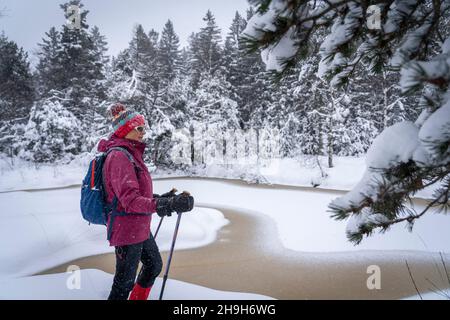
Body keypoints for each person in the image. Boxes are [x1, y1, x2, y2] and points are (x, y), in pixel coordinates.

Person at [98, 103, 194, 300]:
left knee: (153, 265)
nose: (144, 132)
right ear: (126, 130)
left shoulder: (131, 154)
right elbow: (130, 201)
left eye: (144, 127)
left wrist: (164, 199)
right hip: (126, 229)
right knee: (123, 284)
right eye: (139, 128)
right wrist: (163, 205)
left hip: (138, 226)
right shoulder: (119, 156)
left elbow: (137, 194)